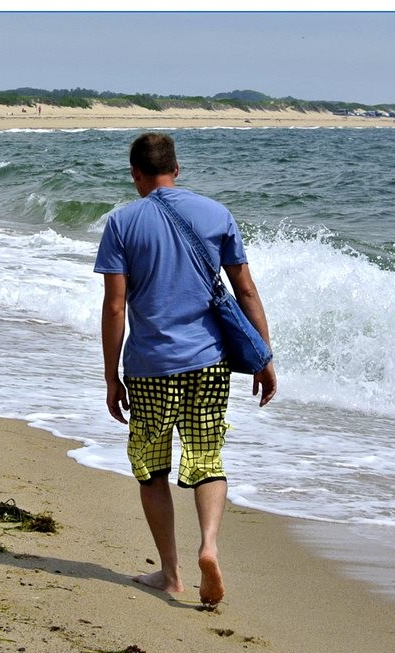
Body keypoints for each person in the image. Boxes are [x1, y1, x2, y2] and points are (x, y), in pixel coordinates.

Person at [94, 132, 277, 607]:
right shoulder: (217, 214)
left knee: (153, 470)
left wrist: (112, 375)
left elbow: (115, 308)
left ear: (136, 173)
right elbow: (247, 291)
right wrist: (264, 356)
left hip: (150, 367)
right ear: (177, 169)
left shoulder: (122, 223)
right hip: (210, 363)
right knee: (206, 458)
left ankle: (172, 575)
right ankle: (209, 547)